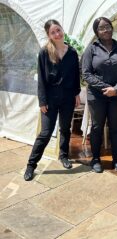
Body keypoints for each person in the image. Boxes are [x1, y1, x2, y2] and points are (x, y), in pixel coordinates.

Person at [24, 19, 81, 181]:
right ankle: (31, 165)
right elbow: (41, 79)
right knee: (45, 133)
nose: (57, 34)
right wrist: (42, 101)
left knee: (65, 128)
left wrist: (76, 94)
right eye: (53, 32)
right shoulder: (44, 52)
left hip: (68, 98)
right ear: (49, 35)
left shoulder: (72, 53)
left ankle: (64, 156)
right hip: (50, 99)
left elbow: (76, 76)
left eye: (58, 30)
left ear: (62, 30)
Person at [81, 17, 117, 173]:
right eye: (102, 28)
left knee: (116, 127)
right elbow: (86, 73)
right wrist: (106, 88)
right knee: (97, 127)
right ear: (97, 32)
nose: (106, 30)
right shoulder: (91, 49)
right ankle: (96, 159)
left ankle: (116, 159)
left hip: (116, 96)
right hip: (97, 96)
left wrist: (116, 88)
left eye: (108, 26)